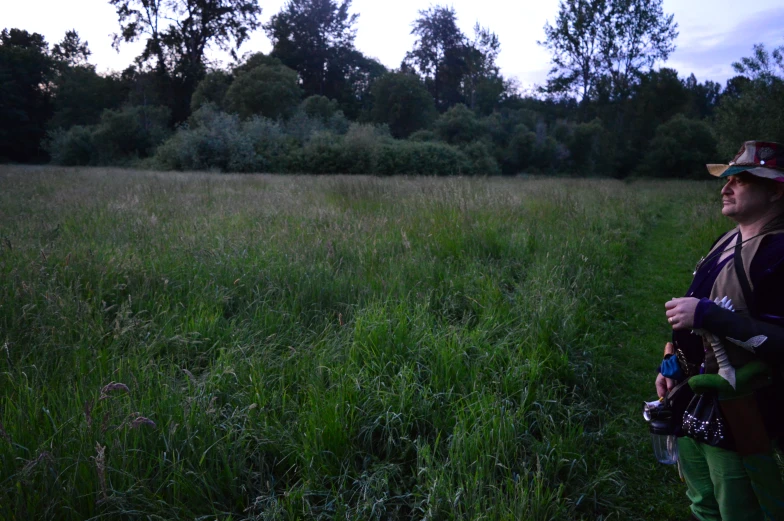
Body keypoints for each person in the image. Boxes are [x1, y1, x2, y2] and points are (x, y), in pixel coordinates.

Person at [656, 140, 784, 521]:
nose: (725, 187)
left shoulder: (780, 254)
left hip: (743, 414)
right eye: (726, 178)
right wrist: (669, 364)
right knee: (703, 503)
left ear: (776, 190)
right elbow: (695, 313)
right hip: (691, 398)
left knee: (741, 509)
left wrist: (711, 316)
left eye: (740, 179)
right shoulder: (728, 239)